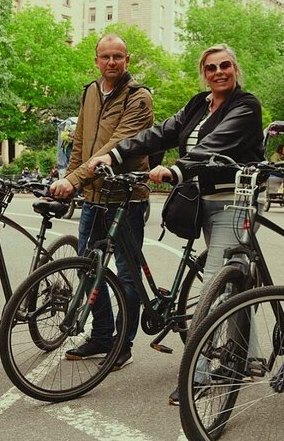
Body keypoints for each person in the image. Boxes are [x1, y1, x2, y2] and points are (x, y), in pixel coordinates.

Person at [88, 43, 264, 405]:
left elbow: (217, 143)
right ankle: (249, 356)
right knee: (232, 283)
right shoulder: (199, 104)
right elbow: (161, 133)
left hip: (235, 200)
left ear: (235, 69)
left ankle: (197, 376)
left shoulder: (246, 106)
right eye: (211, 67)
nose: (219, 72)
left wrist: (177, 168)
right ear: (204, 72)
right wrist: (116, 152)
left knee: (216, 281)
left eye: (225, 66)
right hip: (201, 201)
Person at [50, 33, 154, 371]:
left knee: (126, 275)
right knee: (86, 268)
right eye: (105, 56)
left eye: (118, 57)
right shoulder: (90, 92)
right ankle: (102, 335)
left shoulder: (139, 98)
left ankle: (123, 344)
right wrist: (72, 181)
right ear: (96, 60)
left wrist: (73, 179)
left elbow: (114, 148)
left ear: (128, 60)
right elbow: (80, 142)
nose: (112, 62)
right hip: (93, 197)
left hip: (126, 198)